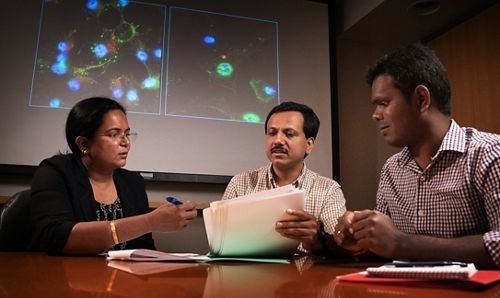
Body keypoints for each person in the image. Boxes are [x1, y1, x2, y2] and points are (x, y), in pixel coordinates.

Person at [334, 43, 500, 268]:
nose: (375, 115)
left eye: (384, 103)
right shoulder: (391, 169)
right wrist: (362, 236)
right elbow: (385, 247)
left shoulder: (489, 154)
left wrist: (403, 244)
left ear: (421, 99)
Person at [29, 97, 197, 254]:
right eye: (113, 134)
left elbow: (143, 249)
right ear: (84, 144)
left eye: (127, 134)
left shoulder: (133, 183)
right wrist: (149, 222)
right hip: (64, 278)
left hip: (121, 282)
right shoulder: (55, 172)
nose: (126, 142)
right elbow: (55, 237)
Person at [223, 101, 347, 254]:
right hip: (247, 274)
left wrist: (316, 239)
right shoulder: (240, 183)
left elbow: (341, 247)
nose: (277, 141)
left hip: (306, 275)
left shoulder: (328, 190)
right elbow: (221, 241)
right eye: (272, 133)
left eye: (289, 134)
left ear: (309, 144)